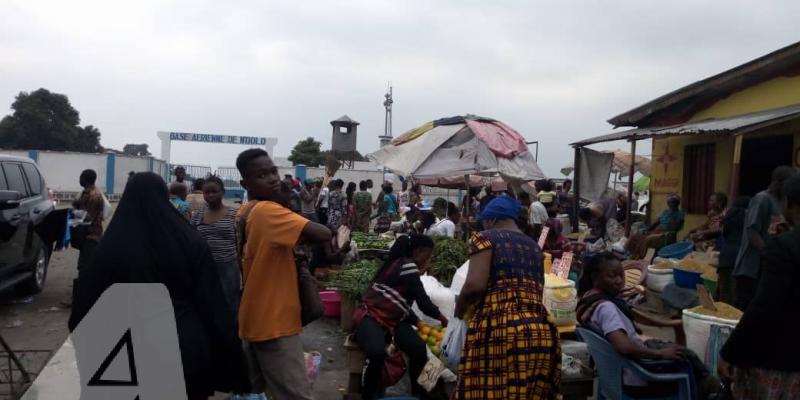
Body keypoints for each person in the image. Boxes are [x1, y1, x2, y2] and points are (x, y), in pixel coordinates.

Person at [68, 172, 249, 399]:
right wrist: (229, 361)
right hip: (183, 350)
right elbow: (212, 304)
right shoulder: (190, 241)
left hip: (126, 353)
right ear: (165, 196)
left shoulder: (110, 248)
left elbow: (86, 303)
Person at [235, 149, 332, 400]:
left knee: (261, 393)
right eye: (261, 175)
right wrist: (289, 209)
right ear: (246, 183)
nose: (272, 179)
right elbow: (323, 233)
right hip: (274, 321)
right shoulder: (269, 212)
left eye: (273, 171)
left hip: (253, 317)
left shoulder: (247, 210)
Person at [454, 196, 560, 399]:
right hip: (541, 332)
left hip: (501, 330)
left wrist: (460, 307)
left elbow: (474, 285)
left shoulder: (485, 237)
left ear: (491, 220)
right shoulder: (535, 247)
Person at [576, 252, 712, 398]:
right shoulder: (607, 308)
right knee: (685, 362)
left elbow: (631, 314)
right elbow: (624, 346)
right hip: (637, 375)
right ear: (595, 278)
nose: (619, 280)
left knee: (683, 353)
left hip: (615, 373)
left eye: (621, 275)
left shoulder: (590, 297)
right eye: (612, 276)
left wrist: (661, 324)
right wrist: (659, 354)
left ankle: (709, 386)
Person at [718, 174, 800, 400]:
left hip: (776, 360)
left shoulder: (784, 247)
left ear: (789, 204)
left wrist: (729, 352)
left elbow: (763, 307)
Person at [352, 234, 448, 400]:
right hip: (371, 315)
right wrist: (443, 319)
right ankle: (367, 395)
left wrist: (417, 322)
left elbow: (399, 303)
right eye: (429, 254)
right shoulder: (408, 265)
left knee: (418, 348)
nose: (429, 258)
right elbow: (424, 303)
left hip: (392, 320)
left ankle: (419, 393)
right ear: (419, 251)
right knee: (376, 352)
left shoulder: (404, 265)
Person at [733, 166, 795, 311]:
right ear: (778, 182)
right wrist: (767, 252)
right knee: (745, 307)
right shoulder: (762, 199)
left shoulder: (781, 202)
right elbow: (752, 230)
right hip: (751, 268)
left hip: (766, 266)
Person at [190, 175, 240, 314]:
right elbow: (191, 240)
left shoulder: (234, 214)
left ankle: (230, 332)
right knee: (207, 303)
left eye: (214, 191)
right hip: (205, 267)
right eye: (207, 192)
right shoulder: (198, 215)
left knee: (230, 303)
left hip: (228, 267)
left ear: (223, 192)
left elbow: (240, 242)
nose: (210, 195)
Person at [717, 196, 750, 304]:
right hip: (738, 258)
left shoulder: (729, 215)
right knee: (735, 296)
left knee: (724, 294)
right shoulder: (747, 217)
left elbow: (724, 235)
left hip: (725, 257)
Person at [72, 169, 105, 276]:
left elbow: (88, 217)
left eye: (81, 176)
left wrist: (72, 214)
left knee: (86, 266)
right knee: (84, 264)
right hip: (86, 234)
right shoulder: (85, 193)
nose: (79, 179)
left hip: (92, 235)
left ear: (85, 179)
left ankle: (85, 289)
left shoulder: (94, 196)